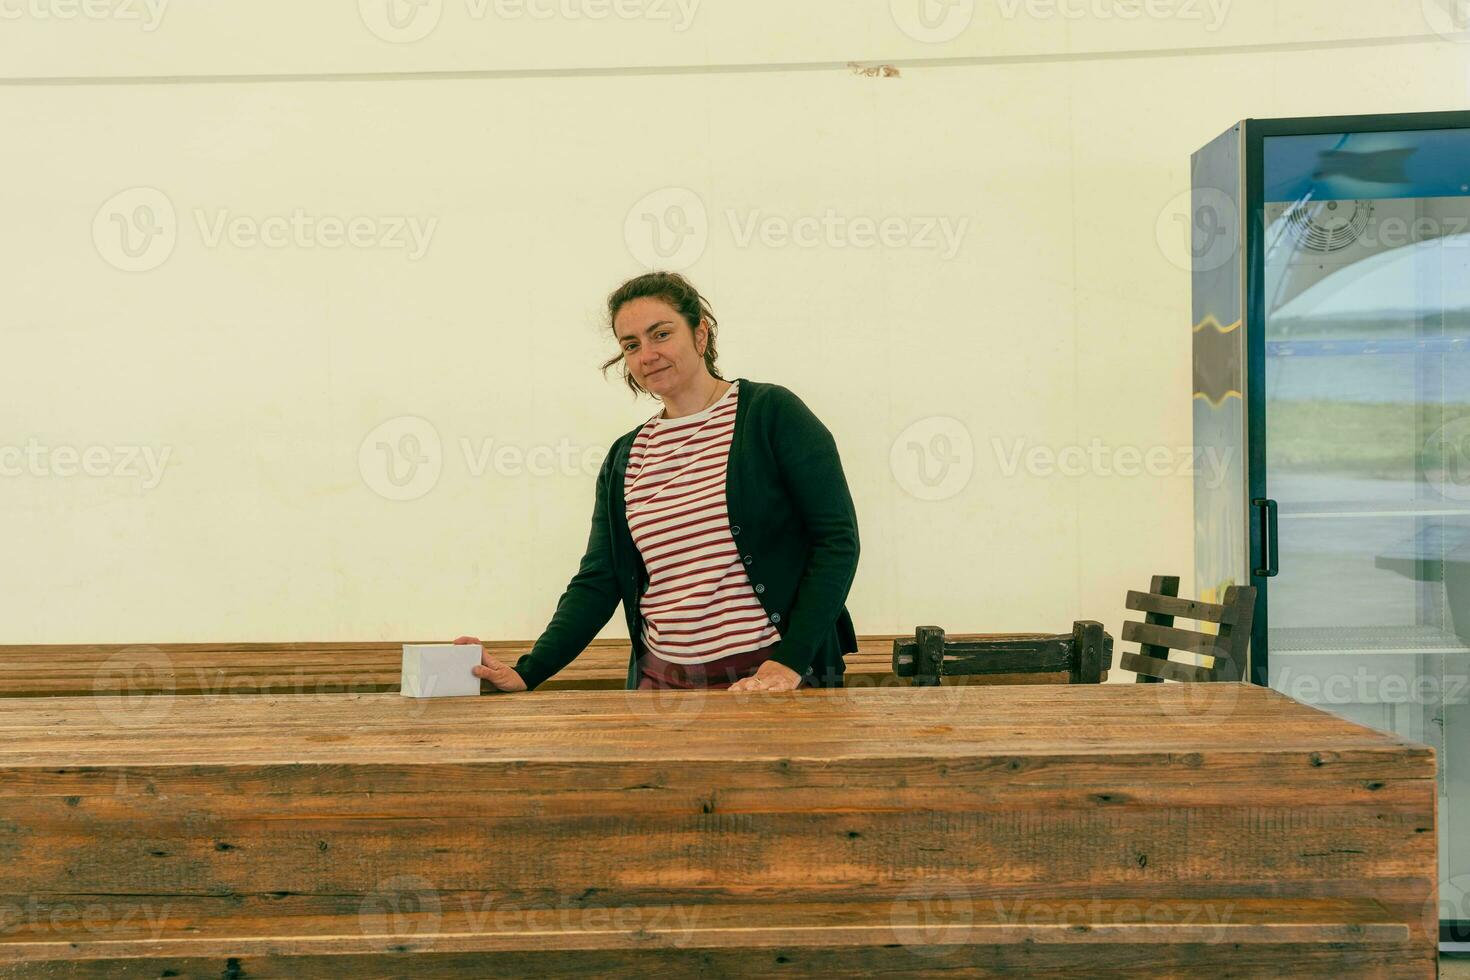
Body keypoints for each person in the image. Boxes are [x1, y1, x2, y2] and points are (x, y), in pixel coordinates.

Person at [455, 271, 859, 693]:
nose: (647, 354)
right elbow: (599, 579)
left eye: (661, 334)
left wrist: (790, 662)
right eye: (631, 345)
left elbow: (837, 540)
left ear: (700, 334)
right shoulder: (625, 456)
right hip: (662, 689)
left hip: (768, 681)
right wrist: (528, 671)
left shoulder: (771, 414)